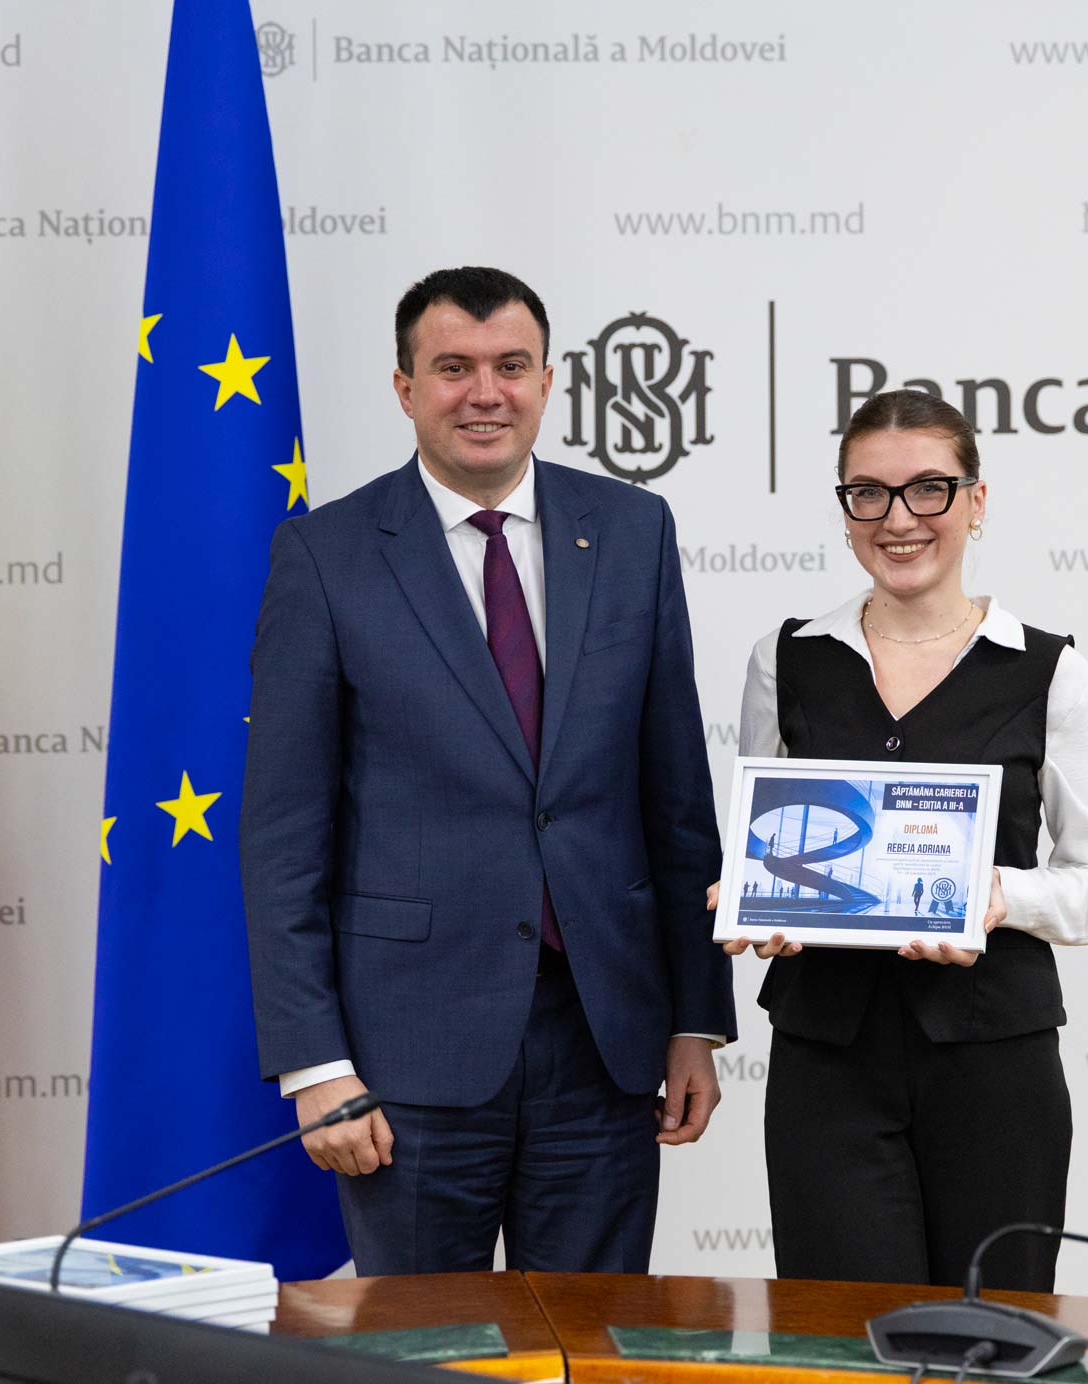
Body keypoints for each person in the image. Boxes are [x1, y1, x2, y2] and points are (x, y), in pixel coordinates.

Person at [243, 266, 736, 1276]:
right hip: (404, 1057)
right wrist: (314, 1063)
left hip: (604, 1041)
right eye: (453, 368)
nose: (485, 393)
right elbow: (284, 835)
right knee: (431, 1350)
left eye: (511, 366)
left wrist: (695, 1018)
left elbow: (675, 797)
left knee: (589, 1344)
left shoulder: (632, 531)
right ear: (404, 387)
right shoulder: (326, 555)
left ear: (547, 382)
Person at [721, 389, 1088, 1292]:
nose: (898, 518)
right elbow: (766, 836)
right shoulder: (785, 660)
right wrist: (756, 896)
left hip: (994, 1064)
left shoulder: (1050, 671)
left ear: (975, 502)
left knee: (992, 1338)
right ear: (844, 509)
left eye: (928, 489)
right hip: (826, 1063)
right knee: (840, 1341)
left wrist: (999, 897)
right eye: (867, 493)